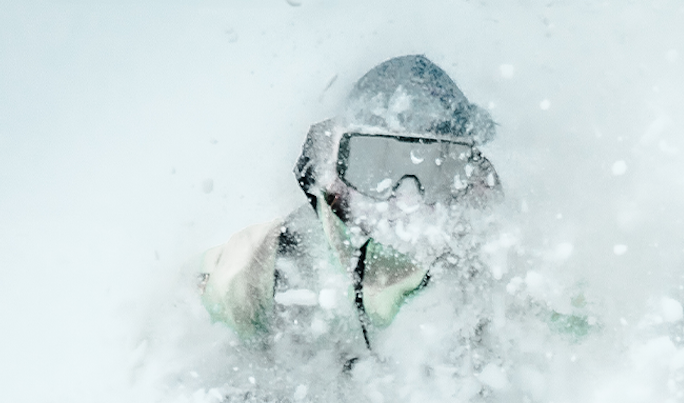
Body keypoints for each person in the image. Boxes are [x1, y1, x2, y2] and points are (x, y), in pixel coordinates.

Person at [198, 55, 502, 370]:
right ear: (336, 171)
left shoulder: (497, 272)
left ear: (471, 179)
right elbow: (176, 337)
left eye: (436, 167)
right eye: (376, 165)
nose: (405, 196)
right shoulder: (269, 258)